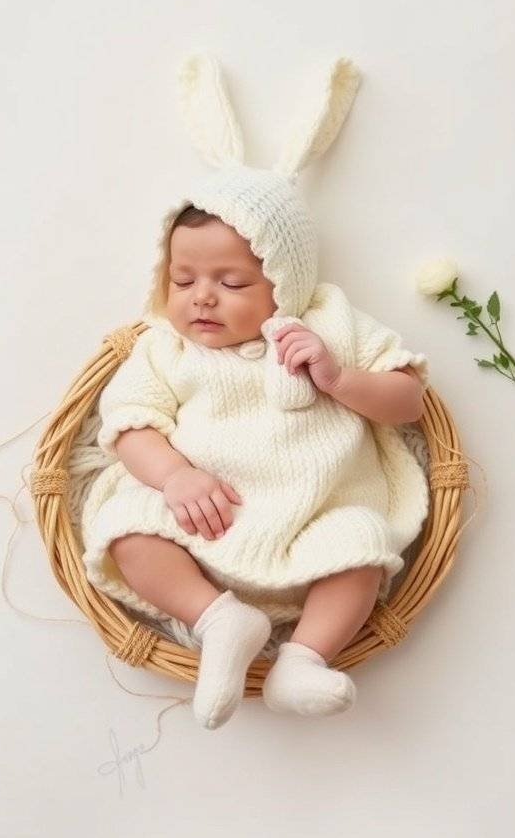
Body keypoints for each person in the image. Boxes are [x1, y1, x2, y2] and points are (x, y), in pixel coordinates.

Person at [81, 56, 430, 730]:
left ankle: (302, 658)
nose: (202, 297)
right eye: (184, 281)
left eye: (233, 282)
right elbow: (127, 423)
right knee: (122, 527)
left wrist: (337, 378)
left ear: (285, 281)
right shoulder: (164, 346)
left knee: (363, 540)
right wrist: (174, 476)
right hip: (200, 524)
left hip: (312, 521)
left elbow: (407, 401)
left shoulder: (327, 321)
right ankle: (219, 622)